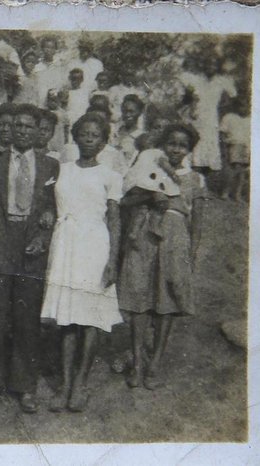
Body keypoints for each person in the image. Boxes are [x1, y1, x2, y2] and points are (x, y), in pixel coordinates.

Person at [0, 104, 60, 414]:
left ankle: (25, 387)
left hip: (30, 248)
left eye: (29, 126)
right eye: (17, 125)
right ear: (9, 128)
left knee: (26, 319)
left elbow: (55, 208)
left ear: (37, 131)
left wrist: (41, 237)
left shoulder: (50, 166)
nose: (22, 131)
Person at [41, 112, 123, 413]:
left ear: (103, 142)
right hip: (65, 246)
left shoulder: (111, 176)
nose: (89, 140)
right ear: (75, 136)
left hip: (94, 247)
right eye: (84, 134)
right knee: (67, 320)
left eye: (95, 136)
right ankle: (63, 385)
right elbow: (47, 203)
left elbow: (114, 221)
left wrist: (113, 261)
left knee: (89, 320)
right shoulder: (60, 170)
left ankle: (80, 384)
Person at [119, 123, 204, 390]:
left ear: (189, 150)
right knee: (139, 298)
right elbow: (126, 199)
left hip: (175, 239)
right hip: (145, 236)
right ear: (163, 145)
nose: (176, 149)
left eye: (182, 145)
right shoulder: (148, 169)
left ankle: (155, 362)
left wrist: (190, 255)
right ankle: (138, 363)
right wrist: (148, 196)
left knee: (166, 301)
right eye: (172, 143)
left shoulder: (196, 179)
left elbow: (198, 223)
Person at [179, 49, 236, 173]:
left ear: (217, 66)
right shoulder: (196, 79)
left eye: (214, 63)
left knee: (209, 143)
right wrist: (191, 102)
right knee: (195, 144)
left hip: (211, 118)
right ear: (203, 65)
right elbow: (186, 97)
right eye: (208, 63)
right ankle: (192, 173)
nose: (210, 66)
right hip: (196, 117)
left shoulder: (221, 81)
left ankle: (204, 178)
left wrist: (221, 108)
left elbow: (231, 97)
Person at [219, 98, 250, 202]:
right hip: (234, 144)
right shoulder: (229, 117)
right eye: (241, 106)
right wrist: (223, 148)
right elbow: (222, 133)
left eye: (246, 106)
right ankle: (225, 192)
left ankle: (237, 194)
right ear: (236, 107)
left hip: (245, 146)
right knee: (235, 169)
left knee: (242, 172)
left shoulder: (249, 119)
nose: (244, 108)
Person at [114, 94, 146, 165]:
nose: (127, 115)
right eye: (125, 111)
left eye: (131, 111)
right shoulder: (114, 131)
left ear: (139, 112)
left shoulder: (141, 137)